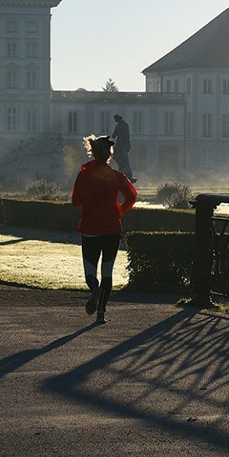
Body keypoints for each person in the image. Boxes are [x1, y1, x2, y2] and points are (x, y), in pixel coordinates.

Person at [69, 136, 137, 324]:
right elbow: (132, 195)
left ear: (93, 151)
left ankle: (94, 288)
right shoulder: (116, 176)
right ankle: (101, 313)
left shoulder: (84, 175)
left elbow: (75, 201)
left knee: (90, 272)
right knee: (107, 271)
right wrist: (120, 211)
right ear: (110, 154)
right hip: (112, 228)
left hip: (90, 228)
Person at [109, 113, 135, 181]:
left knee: (125, 159)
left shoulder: (124, 125)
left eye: (116, 119)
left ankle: (128, 174)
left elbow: (126, 136)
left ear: (118, 119)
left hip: (123, 144)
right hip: (119, 144)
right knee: (116, 157)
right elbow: (114, 135)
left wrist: (125, 144)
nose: (115, 121)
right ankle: (122, 170)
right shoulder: (118, 126)